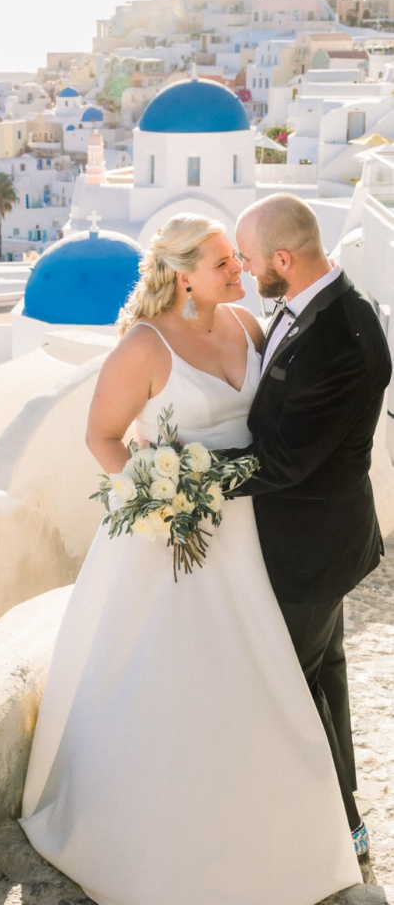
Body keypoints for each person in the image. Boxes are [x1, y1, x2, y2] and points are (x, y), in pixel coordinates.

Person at [19, 212, 361, 905]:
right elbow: (104, 438)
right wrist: (156, 502)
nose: (239, 272)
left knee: (263, 680)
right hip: (172, 538)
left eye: (238, 261)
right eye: (222, 265)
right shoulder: (144, 347)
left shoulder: (246, 326)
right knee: (174, 686)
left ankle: (287, 825)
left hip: (251, 535)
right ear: (182, 277)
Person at [231, 192, 392, 860]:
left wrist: (190, 474)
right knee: (323, 675)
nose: (243, 271)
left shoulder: (342, 336)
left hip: (310, 550)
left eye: (247, 259)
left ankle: (337, 830)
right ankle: (343, 818)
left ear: (283, 259)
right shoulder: (313, 305)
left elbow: (288, 461)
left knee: (294, 687)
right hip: (319, 543)